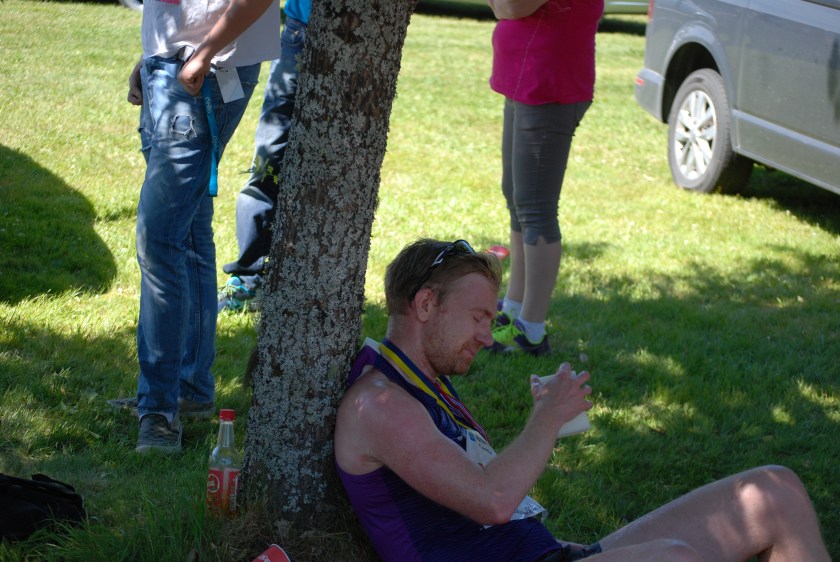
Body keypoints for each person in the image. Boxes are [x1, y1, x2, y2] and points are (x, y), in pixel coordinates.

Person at [333, 238, 830, 562]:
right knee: (672, 559)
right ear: (426, 304)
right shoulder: (379, 406)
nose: (487, 336)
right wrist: (547, 418)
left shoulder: (425, 384)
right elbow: (493, 500)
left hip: (548, 555)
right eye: (478, 317)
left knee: (774, 492)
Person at [108, 0, 281, 453]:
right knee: (187, 234)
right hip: (175, 62)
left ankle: (160, 411)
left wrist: (203, 54)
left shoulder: (205, 60)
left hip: (207, 67)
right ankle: (188, 390)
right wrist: (152, 55)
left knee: (160, 239)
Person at [486, 0, 603, 355]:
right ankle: (513, 308)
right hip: (524, 79)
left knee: (536, 208)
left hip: (548, 84)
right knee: (516, 198)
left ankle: (532, 331)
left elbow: (511, 7)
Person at [216, 0, 311, 313]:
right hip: (299, 32)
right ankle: (249, 278)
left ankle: (303, 282)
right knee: (267, 162)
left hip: (356, 41)